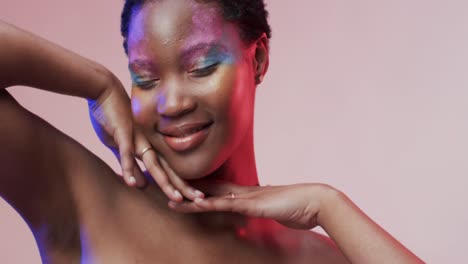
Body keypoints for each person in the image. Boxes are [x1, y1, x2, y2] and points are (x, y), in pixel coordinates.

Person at [0, 0, 424, 263]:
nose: (171, 102)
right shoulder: (80, 201)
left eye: (201, 67)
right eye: (144, 79)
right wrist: (96, 84)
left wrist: (329, 205)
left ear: (257, 61)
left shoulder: (321, 255)